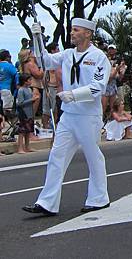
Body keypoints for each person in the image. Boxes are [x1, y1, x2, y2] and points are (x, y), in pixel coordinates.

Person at [23, 18, 111, 216]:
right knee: (57, 156)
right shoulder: (68, 54)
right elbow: (44, 61)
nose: (71, 33)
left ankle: (99, 198)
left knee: (92, 156)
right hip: (69, 116)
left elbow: (98, 87)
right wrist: (37, 38)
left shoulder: (98, 57)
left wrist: (73, 95)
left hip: (88, 115)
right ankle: (47, 202)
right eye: (71, 30)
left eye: (76, 30)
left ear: (87, 33)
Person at [18, 49, 44, 119]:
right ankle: (30, 121)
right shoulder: (30, 64)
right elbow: (38, 75)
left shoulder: (25, 65)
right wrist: (42, 68)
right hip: (34, 86)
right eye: (31, 52)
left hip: (32, 86)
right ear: (28, 55)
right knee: (33, 111)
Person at [15, 73, 38, 153]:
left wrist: (33, 99)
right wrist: (31, 100)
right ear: (25, 81)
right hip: (23, 112)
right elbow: (20, 103)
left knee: (28, 130)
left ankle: (27, 146)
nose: (31, 81)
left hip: (29, 112)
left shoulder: (29, 89)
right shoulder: (21, 90)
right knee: (22, 131)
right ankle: (20, 148)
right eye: (29, 80)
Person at [0, 49, 17, 118]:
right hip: (6, 89)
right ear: (7, 57)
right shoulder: (9, 66)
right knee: (7, 110)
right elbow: (16, 75)